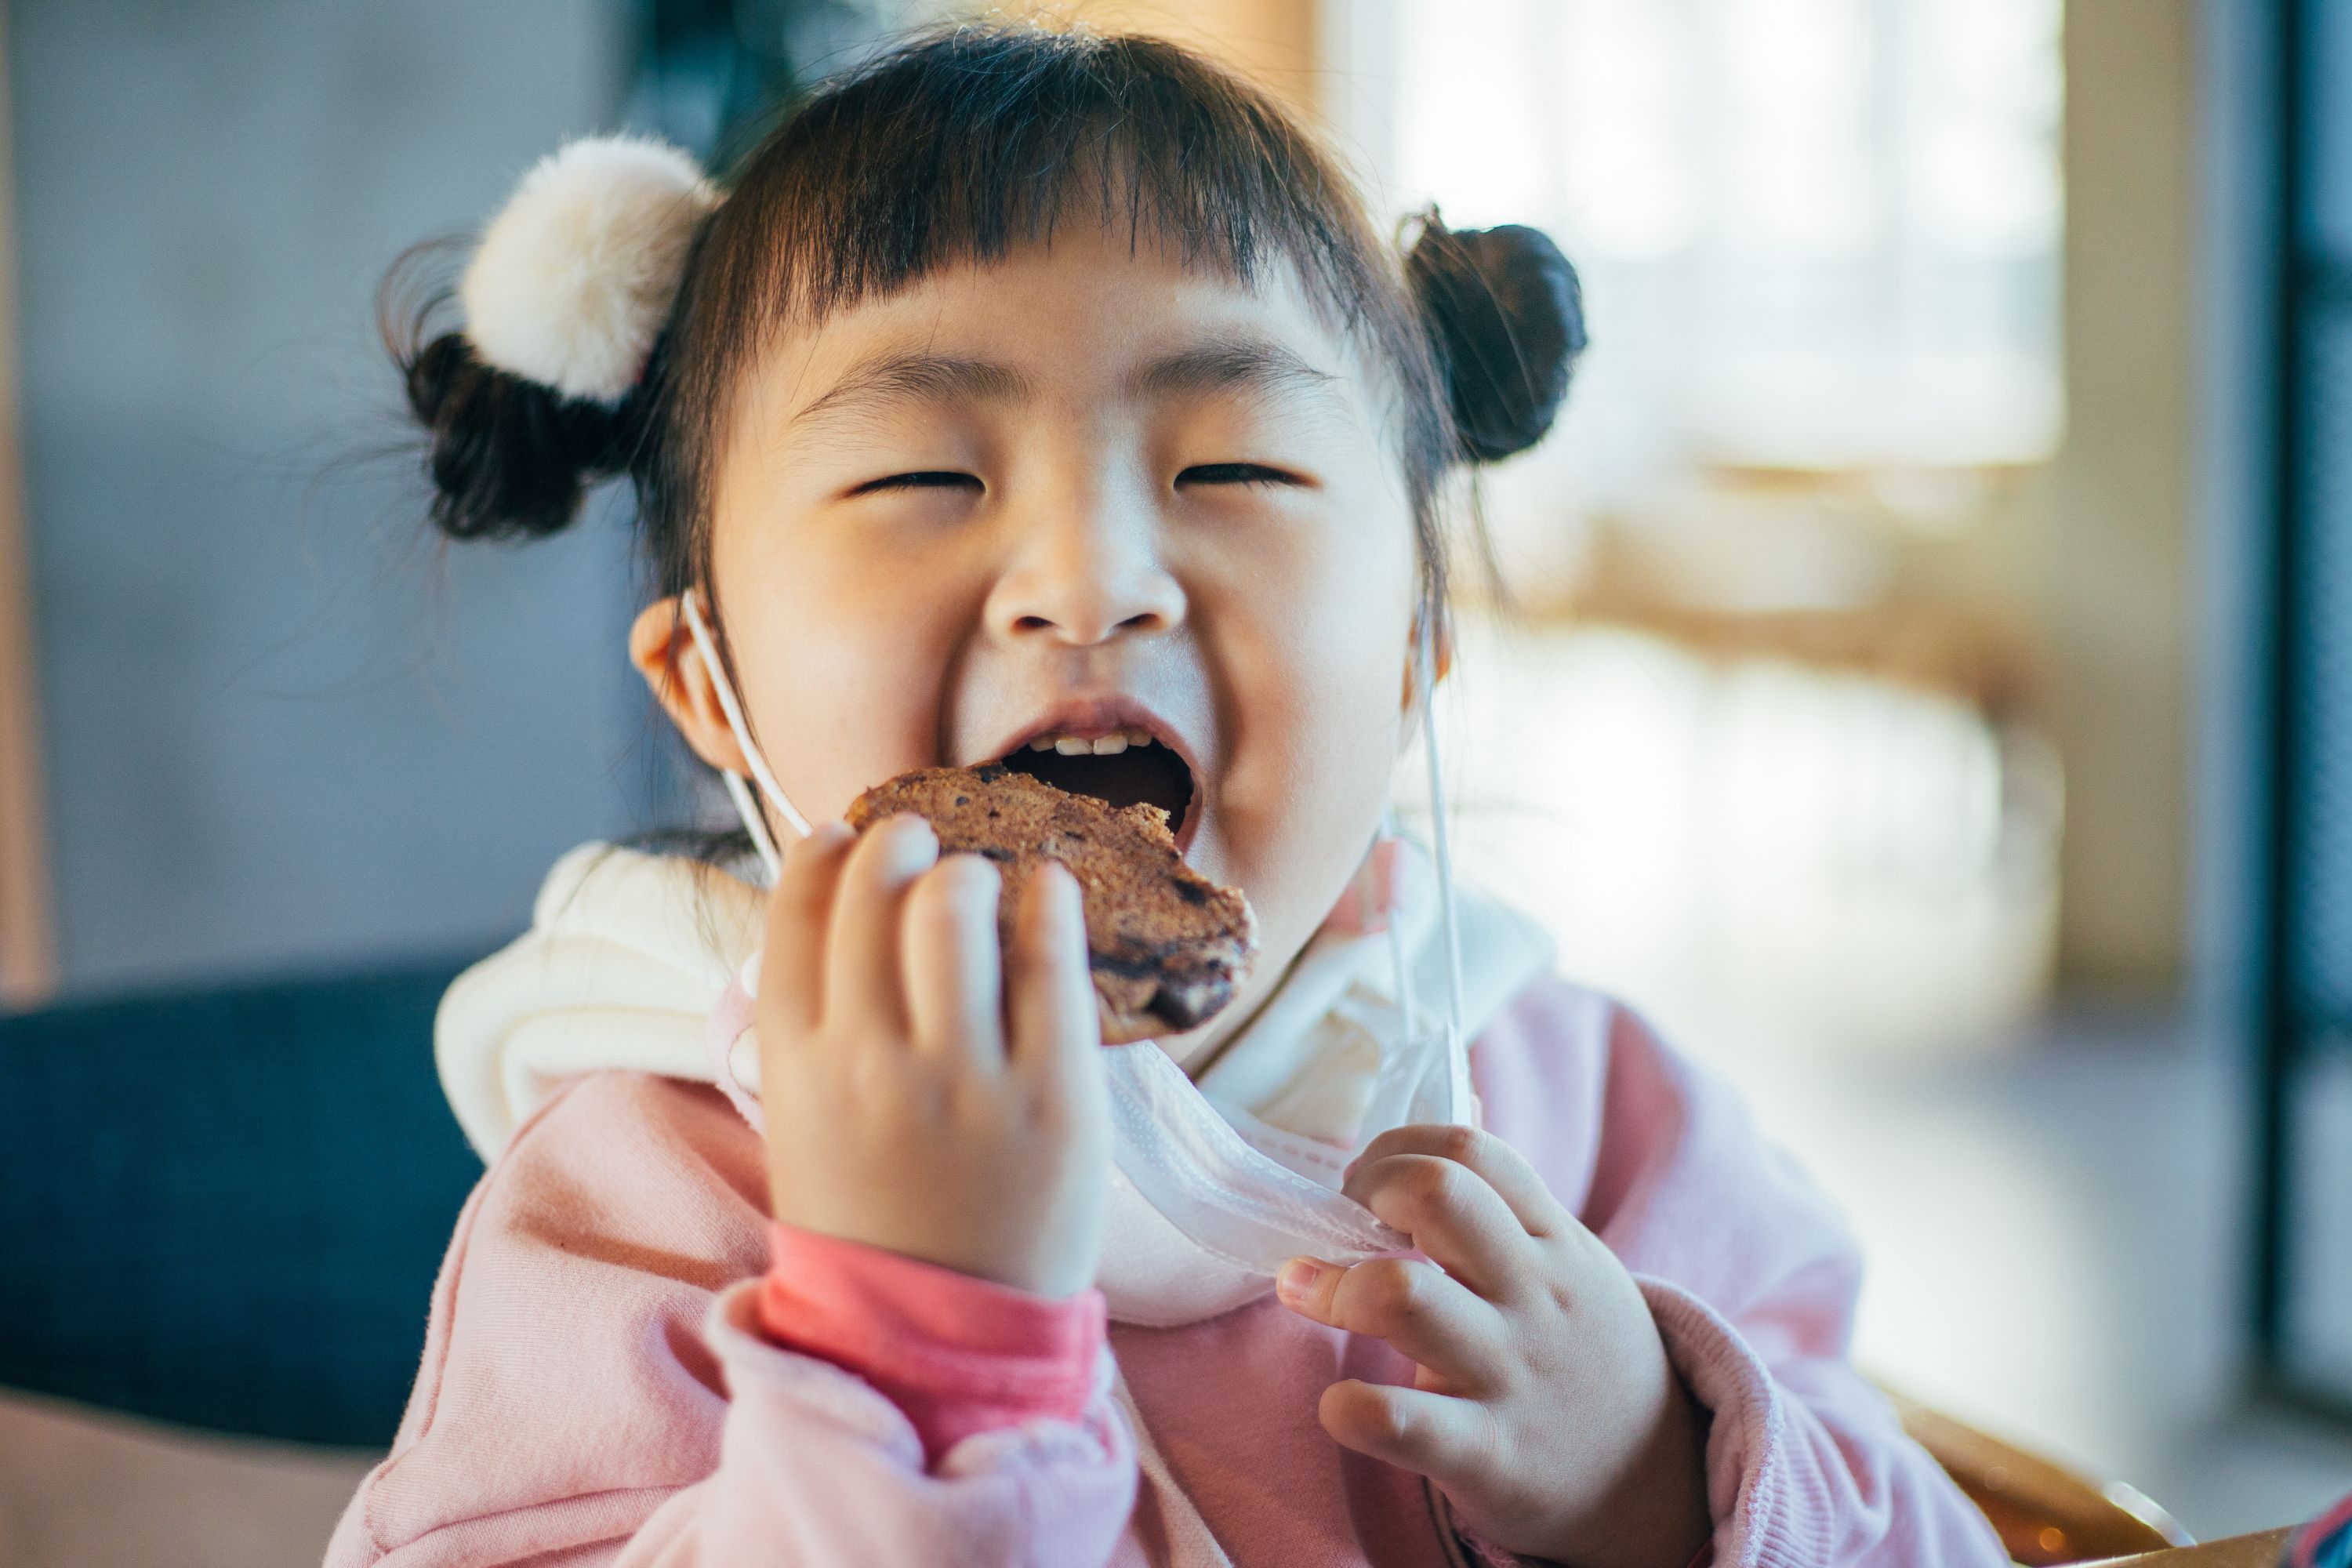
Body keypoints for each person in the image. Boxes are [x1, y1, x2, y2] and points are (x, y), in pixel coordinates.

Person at [327, 24, 2009, 1568]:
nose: (1094, 580)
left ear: (1420, 646)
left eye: (1234, 469)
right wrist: (910, 1356)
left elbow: (1963, 1530)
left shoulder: (1576, 1111)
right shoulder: (648, 1191)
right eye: (923, 474)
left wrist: (1659, 1463)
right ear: (718, 688)